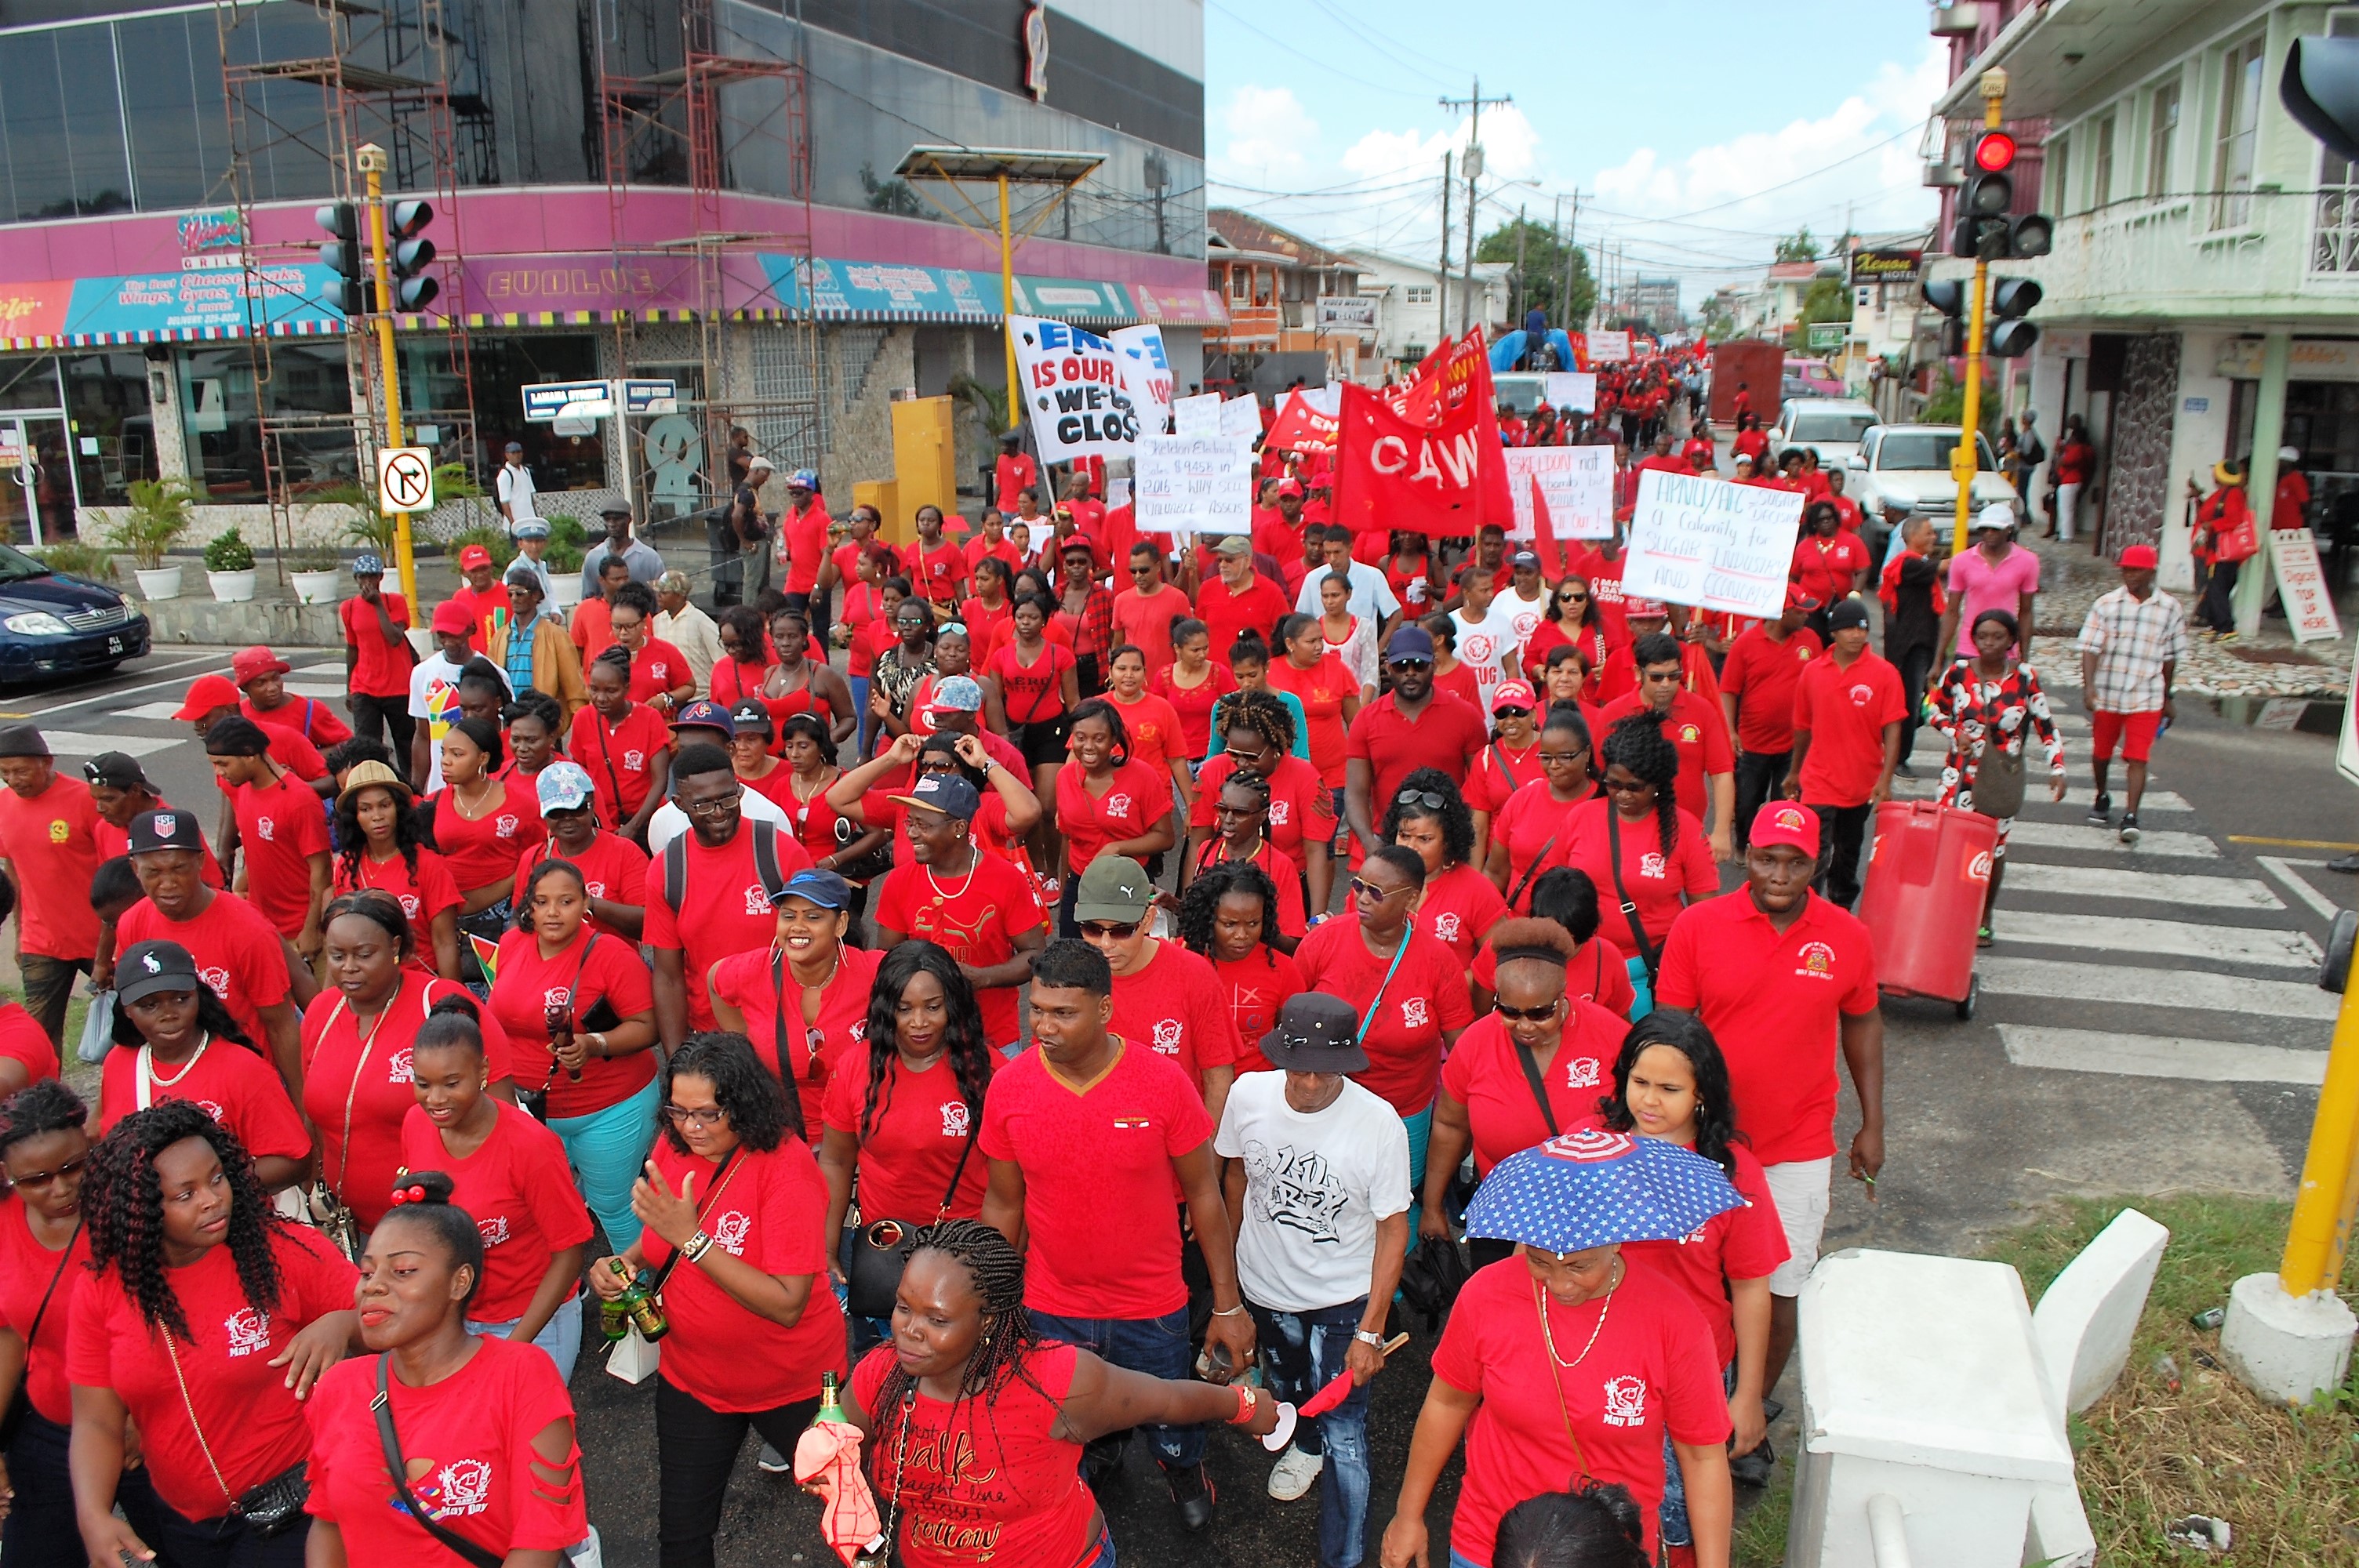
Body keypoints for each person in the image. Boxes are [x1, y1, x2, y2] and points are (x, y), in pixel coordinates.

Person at [978, 940, 1258, 1527]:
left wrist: (1227, 1305)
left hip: (1151, 1308)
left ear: (1104, 1010)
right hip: (1052, 1306)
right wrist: (989, 1302)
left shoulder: (1162, 1084)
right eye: (1036, 1010)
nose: (1043, 1027)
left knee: (1173, 1418)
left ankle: (1181, 1466)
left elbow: (1205, 1194)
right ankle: (1096, 1462)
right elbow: (1005, 1203)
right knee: (1071, 1422)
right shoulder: (1009, 1089)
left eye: (1063, 1012)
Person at [838, 1218, 1281, 1567]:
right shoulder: (881, 1375)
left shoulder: (1054, 1382)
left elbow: (1165, 1399)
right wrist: (828, 1460)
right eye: (902, 1307)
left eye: (937, 1320)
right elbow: (838, 1441)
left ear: (988, 1321)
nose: (909, 1331)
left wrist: (1243, 1407)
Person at [1378, 1166, 1735, 1568]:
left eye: (1579, 1266)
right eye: (1540, 1263)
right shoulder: (1486, 1295)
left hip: (1608, 1554)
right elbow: (1447, 1405)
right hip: (1489, 1544)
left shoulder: (1675, 1321)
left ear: (1616, 1242)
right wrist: (1408, 1516)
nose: (1560, 1285)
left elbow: (1703, 1459)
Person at [1652, 801, 1884, 1410]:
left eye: (1796, 862)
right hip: (1703, 1142)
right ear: (1745, 858)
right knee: (1695, 1281)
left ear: (1820, 862)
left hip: (1797, 1146)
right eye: (1766, 859)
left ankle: (1751, 1404)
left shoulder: (1848, 937)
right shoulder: (1698, 927)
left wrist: (1873, 1124)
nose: (1779, 874)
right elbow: (1671, 1036)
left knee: (1782, 1289)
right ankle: (1689, 1399)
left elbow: (1863, 1027)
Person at [588, 1033, 845, 1568]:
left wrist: (693, 1242)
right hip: (693, 1380)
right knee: (682, 1539)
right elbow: (660, 1238)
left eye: (707, 1114)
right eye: (678, 1112)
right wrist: (626, 1263)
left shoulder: (786, 1167)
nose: (691, 1128)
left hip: (791, 1384)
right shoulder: (675, 1146)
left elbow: (787, 1302)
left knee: (856, 1521)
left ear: (743, 1103)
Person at [67, 1102, 360, 1568]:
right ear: (141, 1209)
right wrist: (91, 1514)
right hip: (186, 1526)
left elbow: (392, 1321)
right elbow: (97, 1421)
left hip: (298, 1509)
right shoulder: (102, 1289)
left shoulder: (280, 1252)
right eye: (185, 1195)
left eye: (217, 1177)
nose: (211, 1199)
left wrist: (344, 1324)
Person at [300, 1168, 587, 1566]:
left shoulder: (522, 1377)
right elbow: (329, 1523)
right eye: (367, 1272)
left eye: (403, 1271)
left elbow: (539, 1542)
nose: (373, 1286)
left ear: (460, 1282)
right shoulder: (339, 1388)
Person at [1216, 992, 1411, 1552]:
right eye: (1297, 1067)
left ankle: (1344, 1555)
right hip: (1266, 1288)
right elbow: (1235, 1180)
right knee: (1294, 1388)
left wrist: (1371, 1330)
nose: (1307, 1083)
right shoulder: (1247, 1095)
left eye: (1324, 1072)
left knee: (1347, 1429)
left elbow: (1393, 1229)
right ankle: (1306, 1445)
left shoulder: (1379, 1126)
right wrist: (1228, 1286)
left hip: (1344, 1298)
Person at [1601, 1011, 1788, 1512]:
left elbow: (1751, 1287)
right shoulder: (1592, 1148)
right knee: (1605, 1509)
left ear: (1701, 1094)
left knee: (1680, 1508)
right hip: (1599, 1357)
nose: (1649, 1100)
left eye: (1670, 1088)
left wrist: (1748, 1397)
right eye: (1639, 1082)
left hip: (1694, 1367)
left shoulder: (1734, 1173)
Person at [5, 1081, 169, 1563]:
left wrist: (145, 1417)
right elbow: (10, 1335)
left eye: (72, 1167)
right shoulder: (4, 1219)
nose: (59, 1188)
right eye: (35, 1179)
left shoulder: (135, 1205)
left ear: (90, 1144)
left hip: (147, 1428)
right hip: (50, 1430)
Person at [814, 940, 994, 1349]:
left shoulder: (991, 1073)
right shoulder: (855, 1068)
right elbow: (837, 1163)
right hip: (884, 1258)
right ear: (884, 1008)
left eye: (933, 1007)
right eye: (904, 1007)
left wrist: (1000, 1267)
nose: (918, 1022)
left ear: (954, 1004)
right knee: (883, 1384)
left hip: (967, 1262)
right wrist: (825, 1248)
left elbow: (1010, 1189)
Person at [303, 889, 514, 1234]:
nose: (349, 968)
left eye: (364, 954)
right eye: (337, 956)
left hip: (439, 1222)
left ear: (396, 947)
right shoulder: (321, 1013)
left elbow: (503, 1114)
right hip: (349, 1225)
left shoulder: (443, 1003)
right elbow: (313, 1114)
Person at [402, 995, 592, 1376]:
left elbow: (571, 1252)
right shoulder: (415, 1124)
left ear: (484, 1070)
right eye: (423, 1084)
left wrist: (514, 1349)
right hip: (454, 1320)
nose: (435, 1100)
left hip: (532, 1324)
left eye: (452, 1083)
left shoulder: (531, 1147)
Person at [489, 857, 660, 1249]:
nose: (553, 912)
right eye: (542, 901)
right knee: (543, 1206)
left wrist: (594, 1044)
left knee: (613, 1206)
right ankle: (567, 1294)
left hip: (609, 1107)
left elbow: (647, 1027)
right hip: (532, 1109)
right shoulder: (512, 943)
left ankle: (638, 1297)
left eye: (566, 901)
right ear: (528, 905)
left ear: (586, 902)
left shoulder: (612, 954)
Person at [1293, 845, 1473, 1189]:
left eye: (1376, 893)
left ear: (1412, 899)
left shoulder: (1439, 962)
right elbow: (1287, 1018)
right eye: (1359, 885)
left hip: (1404, 1113)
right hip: (1325, 1103)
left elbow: (1462, 1052)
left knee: (1396, 1199)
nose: (1362, 898)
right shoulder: (1323, 942)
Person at [100, 932, 320, 1184]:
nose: (169, 1014)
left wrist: (207, 1186)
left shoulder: (242, 1067)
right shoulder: (119, 1063)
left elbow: (295, 1161)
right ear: (127, 1010)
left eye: (181, 999)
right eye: (150, 1006)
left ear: (198, 995)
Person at [116, 808, 306, 1096]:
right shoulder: (132, 923)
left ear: (200, 863)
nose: (168, 884)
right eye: (153, 872)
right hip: (176, 1086)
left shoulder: (247, 928)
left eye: (179, 868)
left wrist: (301, 1106)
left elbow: (280, 1024)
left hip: (246, 1087)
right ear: (135, 869)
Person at [645, 744, 812, 1050]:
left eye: (727, 798)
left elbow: (819, 945)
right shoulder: (667, 870)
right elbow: (668, 977)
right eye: (704, 805)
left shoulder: (781, 852)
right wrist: (677, 1062)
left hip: (786, 1027)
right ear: (680, 804)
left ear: (739, 789)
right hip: (712, 1037)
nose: (719, 813)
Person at [871, 769, 1048, 1045]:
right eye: (910, 823)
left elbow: (1035, 954)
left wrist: (983, 978)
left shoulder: (1006, 878)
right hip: (922, 1040)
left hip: (992, 1038)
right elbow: (886, 960)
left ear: (959, 828)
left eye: (923, 825)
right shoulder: (898, 882)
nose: (911, 834)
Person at [705, 866, 882, 1138]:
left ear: (841, 924)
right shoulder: (753, 971)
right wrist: (742, 1040)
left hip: (862, 1138)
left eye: (813, 917)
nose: (798, 927)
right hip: (783, 1139)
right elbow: (715, 980)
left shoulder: (875, 972)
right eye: (788, 916)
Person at [1561, 715, 1719, 1015]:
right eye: (1614, 784)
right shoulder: (1580, 818)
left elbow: (1705, 917)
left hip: (1653, 972)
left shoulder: (1684, 829)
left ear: (1658, 784)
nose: (1622, 795)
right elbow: (1556, 891)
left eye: (1634, 787)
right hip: (1585, 967)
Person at [1932, 610, 2067, 942]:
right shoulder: (1958, 673)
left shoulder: (2024, 677)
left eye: (1997, 637)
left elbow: (2045, 724)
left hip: (2001, 777)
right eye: (1982, 637)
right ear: (1973, 639)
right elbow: (1933, 710)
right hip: (1960, 774)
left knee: (1993, 850)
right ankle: (1949, 909)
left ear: (2011, 641)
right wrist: (1954, 732)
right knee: (1951, 843)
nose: (1989, 644)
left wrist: (2057, 768)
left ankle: (1984, 913)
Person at [1070, 855, 1242, 1110]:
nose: (1106, 944)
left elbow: (1218, 1074)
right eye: (1092, 929)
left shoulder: (1193, 974)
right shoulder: (1068, 977)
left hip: (1173, 1138)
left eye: (1121, 930)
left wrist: (1206, 1146)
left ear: (1149, 920)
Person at [1784, 599, 1904, 910]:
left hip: (1860, 781)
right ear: (1834, 633)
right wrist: (1795, 771)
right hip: (1818, 779)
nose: (1856, 635)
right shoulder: (1812, 673)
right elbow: (1802, 727)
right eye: (1849, 628)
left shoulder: (1885, 674)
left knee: (1848, 852)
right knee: (1814, 849)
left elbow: (1893, 730)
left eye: (1862, 629)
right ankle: (1805, 907)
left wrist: (1885, 780)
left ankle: (1840, 907)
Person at [1344, 627, 1489, 864]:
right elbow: (1355, 792)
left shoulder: (1466, 716)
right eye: (1401, 666)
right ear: (1388, 668)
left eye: (1419, 665)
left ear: (1434, 664)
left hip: (1449, 847)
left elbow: (1482, 789)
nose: (1410, 673)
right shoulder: (1366, 720)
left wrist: (1470, 847)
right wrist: (1370, 842)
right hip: (1388, 845)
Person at [0, 724, 104, 1045]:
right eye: (5, 772)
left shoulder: (85, 800)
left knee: (129, 1022)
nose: (13, 779)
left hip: (97, 938)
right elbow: (13, 867)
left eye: (20, 770)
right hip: (41, 941)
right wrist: (20, 933)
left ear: (46, 763)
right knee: (38, 1036)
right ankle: (47, 1095)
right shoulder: (3, 805)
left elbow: (113, 864)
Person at [2078, 543, 2186, 844]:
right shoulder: (2107, 604)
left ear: (2151, 572)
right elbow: (2090, 648)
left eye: (2136, 570)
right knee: (2101, 753)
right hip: (2110, 691)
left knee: (2137, 757)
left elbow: (2170, 657)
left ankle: (2131, 815)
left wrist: (2167, 697)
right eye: (2125, 570)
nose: (2130, 576)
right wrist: (2089, 687)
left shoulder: (2170, 609)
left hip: (2147, 694)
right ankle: (2102, 795)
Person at [203, 716, 333, 959]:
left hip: (300, 932)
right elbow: (261, 851)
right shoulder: (244, 792)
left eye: (223, 764)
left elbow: (322, 870)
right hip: (265, 928)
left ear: (250, 754)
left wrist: (312, 928)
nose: (219, 773)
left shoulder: (299, 800)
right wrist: (241, 890)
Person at [1598, 635, 1736, 862]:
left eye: (1674, 676)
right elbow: (1599, 777)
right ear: (1637, 673)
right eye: (1656, 677)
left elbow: (1721, 774)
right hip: (1625, 832)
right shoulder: (1613, 714)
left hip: (1686, 833)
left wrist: (1721, 832)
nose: (1666, 684)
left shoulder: (1703, 710)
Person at [431, 716, 543, 992]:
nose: (446, 761)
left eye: (457, 754)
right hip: (447, 924)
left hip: (504, 918)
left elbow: (540, 855)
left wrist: (513, 885)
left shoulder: (521, 805)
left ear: (483, 758)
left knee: (503, 993)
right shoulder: (432, 803)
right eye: (444, 752)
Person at [330, 760, 461, 976]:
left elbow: (445, 942)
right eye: (366, 809)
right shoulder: (345, 866)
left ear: (399, 809)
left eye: (385, 805)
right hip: (363, 984)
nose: (377, 816)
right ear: (354, 817)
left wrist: (454, 1002)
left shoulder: (430, 865)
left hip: (420, 980)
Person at [1052, 702, 1173, 934]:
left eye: (1099, 738)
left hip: (1130, 879)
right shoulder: (1064, 777)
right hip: (1082, 879)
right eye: (1080, 737)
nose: (1088, 746)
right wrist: (1065, 894)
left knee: (1125, 954)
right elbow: (1067, 839)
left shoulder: (1143, 775)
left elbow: (1166, 837)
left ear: (1114, 740)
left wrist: (1116, 848)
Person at [1719, 589, 1823, 848]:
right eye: (1800, 613)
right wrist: (1730, 732)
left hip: (1794, 745)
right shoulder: (1745, 644)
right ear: (1782, 613)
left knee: (1784, 804)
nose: (1806, 619)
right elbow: (1729, 691)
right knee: (1746, 803)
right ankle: (1744, 843)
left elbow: (1822, 683)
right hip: (1752, 745)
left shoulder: (1810, 640)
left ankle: (1773, 850)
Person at [1180, 858, 1305, 1059]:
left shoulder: (1283, 969)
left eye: (1253, 923)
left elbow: (1292, 1041)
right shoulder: (1183, 957)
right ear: (1209, 919)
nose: (1241, 934)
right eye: (1229, 924)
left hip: (1258, 1084)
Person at [1485, 708, 1603, 913]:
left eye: (1565, 757)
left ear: (1587, 753)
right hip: (1519, 927)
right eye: (1546, 757)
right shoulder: (1521, 799)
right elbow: (1495, 873)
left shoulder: (1605, 804)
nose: (1554, 766)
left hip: (1577, 930)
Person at [514, 761, 650, 941]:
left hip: (611, 963)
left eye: (577, 809)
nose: (568, 819)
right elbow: (518, 917)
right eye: (557, 813)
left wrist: (586, 903)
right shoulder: (532, 858)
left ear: (592, 805)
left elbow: (648, 922)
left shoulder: (625, 853)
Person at [569, 648, 673, 844]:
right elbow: (579, 775)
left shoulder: (650, 719)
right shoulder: (583, 719)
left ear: (627, 688)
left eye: (611, 691)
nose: (600, 698)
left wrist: (634, 826)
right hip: (601, 824)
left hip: (647, 823)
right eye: (594, 689)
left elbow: (660, 781)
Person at [1271, 612, 1365, 806]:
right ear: (1290, 644)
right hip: (1283, 775)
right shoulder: (1271, 671)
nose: (1319, 647)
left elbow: (1356, 723)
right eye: (1311, 641)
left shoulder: (1336, 668)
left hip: (1333, 778)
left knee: (1327, 834)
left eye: (1321, 639)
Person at [1879, 517, 1946, 776]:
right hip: (1909, 646)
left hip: (1921, 644)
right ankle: (1897, 757)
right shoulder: (1908, 564)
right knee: (1910, 704)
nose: (1934, 538)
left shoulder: (1916, 565)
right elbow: (1945, 566)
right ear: (1912, 536)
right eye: (1929, 533)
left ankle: (1891, 747)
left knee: (1917, 703)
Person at [1936, 503, 2040, 663]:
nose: (1989, 534)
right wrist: (1939, 657)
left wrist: (2024, 657)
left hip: (2005, 647)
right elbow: (1952, 611)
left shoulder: (2028, 561)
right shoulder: (1962, 561)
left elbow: (2026, 612)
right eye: (1984, 529)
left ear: (2009, 530)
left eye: (1995, 529)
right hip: (1968, 647)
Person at [340, 554, 416, 763]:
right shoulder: (349, 608)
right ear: (356, 579)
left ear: (381, 578)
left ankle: (410, 784)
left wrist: (378, 605)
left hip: (398, 686)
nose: (368, 582)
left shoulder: (394, 602)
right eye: (363, 577)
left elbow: (394, 638)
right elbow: (352, 648)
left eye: (372, 577)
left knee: (405, 741)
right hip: (365, 686)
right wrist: (349, 688)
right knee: (367, 745)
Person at [490, 568, 590, 720]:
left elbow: (575, 693)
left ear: (536, 595)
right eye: (510, 594)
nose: (514, 598)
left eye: (520, 593)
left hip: (544, 724)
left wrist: (562, 728)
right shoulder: (500, 637)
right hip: (509, 723)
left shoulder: (557, 636)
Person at [235, 644, 351, 752]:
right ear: (244, 688)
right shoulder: (237, 715)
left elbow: (349, 744)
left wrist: (310, 758)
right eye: (261, 683)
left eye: (275, 678)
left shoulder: (309, 710)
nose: (272, 688)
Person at [655, 570, 725, 696]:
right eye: (658, 592)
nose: (658, 596)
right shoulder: (657, 621)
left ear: (679, 596)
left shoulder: (700, 621)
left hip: (701, 697)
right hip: (669, 698)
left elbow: (721, 659)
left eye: (664, 593)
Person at [2050, 414, 2095, 544]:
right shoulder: (2077, 449)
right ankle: (2063, 532)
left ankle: (2067, 535)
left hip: (2070, 481)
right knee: (2066, 508)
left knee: (2067, 509)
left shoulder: (2078, 450)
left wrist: (2059, 452)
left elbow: (2062, 462)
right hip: (2070, 481)